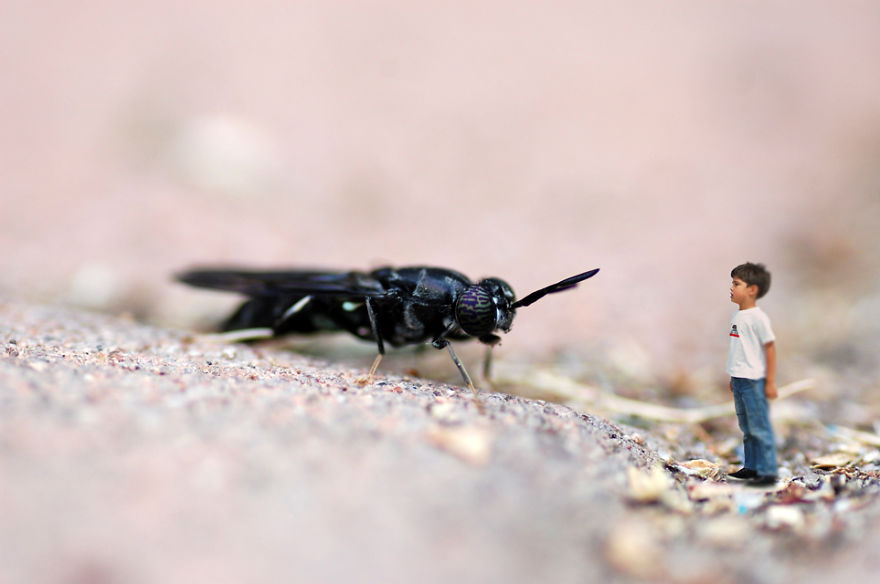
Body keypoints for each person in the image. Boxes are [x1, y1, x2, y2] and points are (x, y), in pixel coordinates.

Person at [726, 262, 778, 486]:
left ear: (752, 290)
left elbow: (770, 348)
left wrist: (770, 381)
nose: (731, 288)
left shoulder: (758, 319)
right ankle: (751, 466)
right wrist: (733, 376)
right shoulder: (738, 317)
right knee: (746, 427)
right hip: (739, 379)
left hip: (754, 380)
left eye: (736, 284)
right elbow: (739, 350)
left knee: (759, 426)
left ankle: (767, 471)